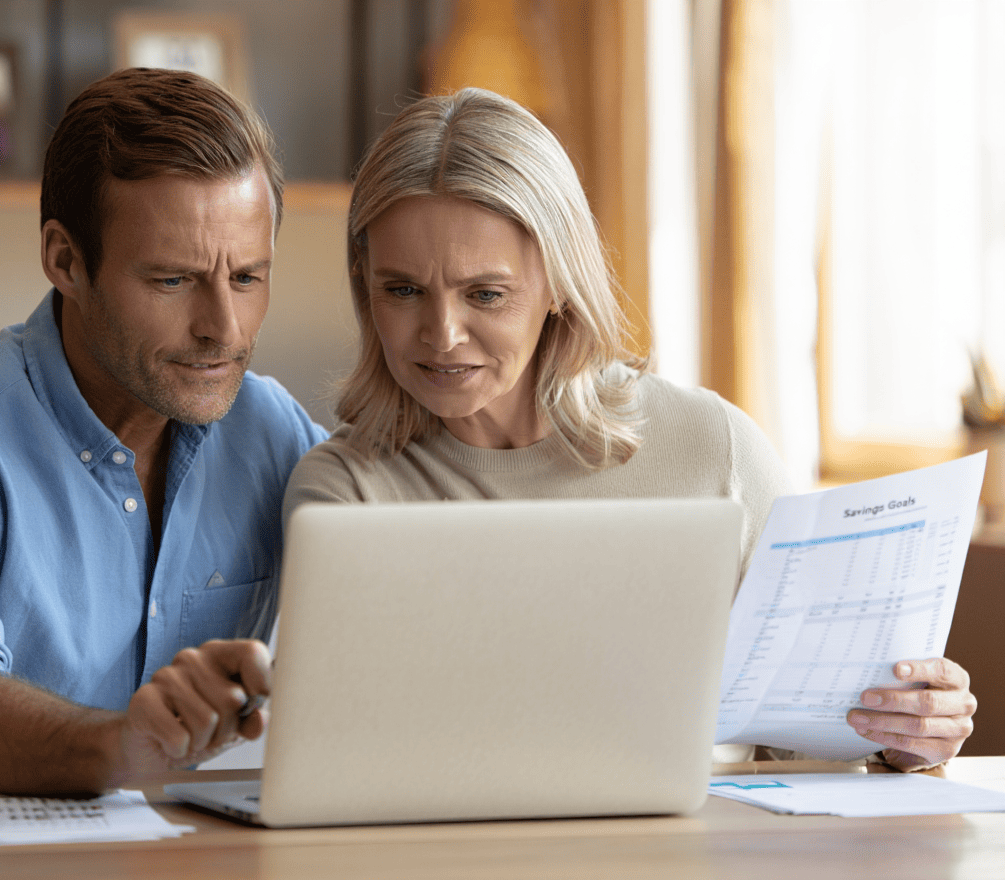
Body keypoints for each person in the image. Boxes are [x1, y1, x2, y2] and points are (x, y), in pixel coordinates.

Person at [283, 87, 977, 773]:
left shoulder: (714, 449)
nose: (442, 333)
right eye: (402, 290)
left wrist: (901, 736)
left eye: (485, 294)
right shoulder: (344, 492)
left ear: (558, 284)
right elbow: (350, 757)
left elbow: (818, 748)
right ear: (363, 281)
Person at [0, 68, 327, 793]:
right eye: (172, 280)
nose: (224, 329)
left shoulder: (271, 431)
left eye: (248, 278)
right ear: (65, 259)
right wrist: (126, 746)